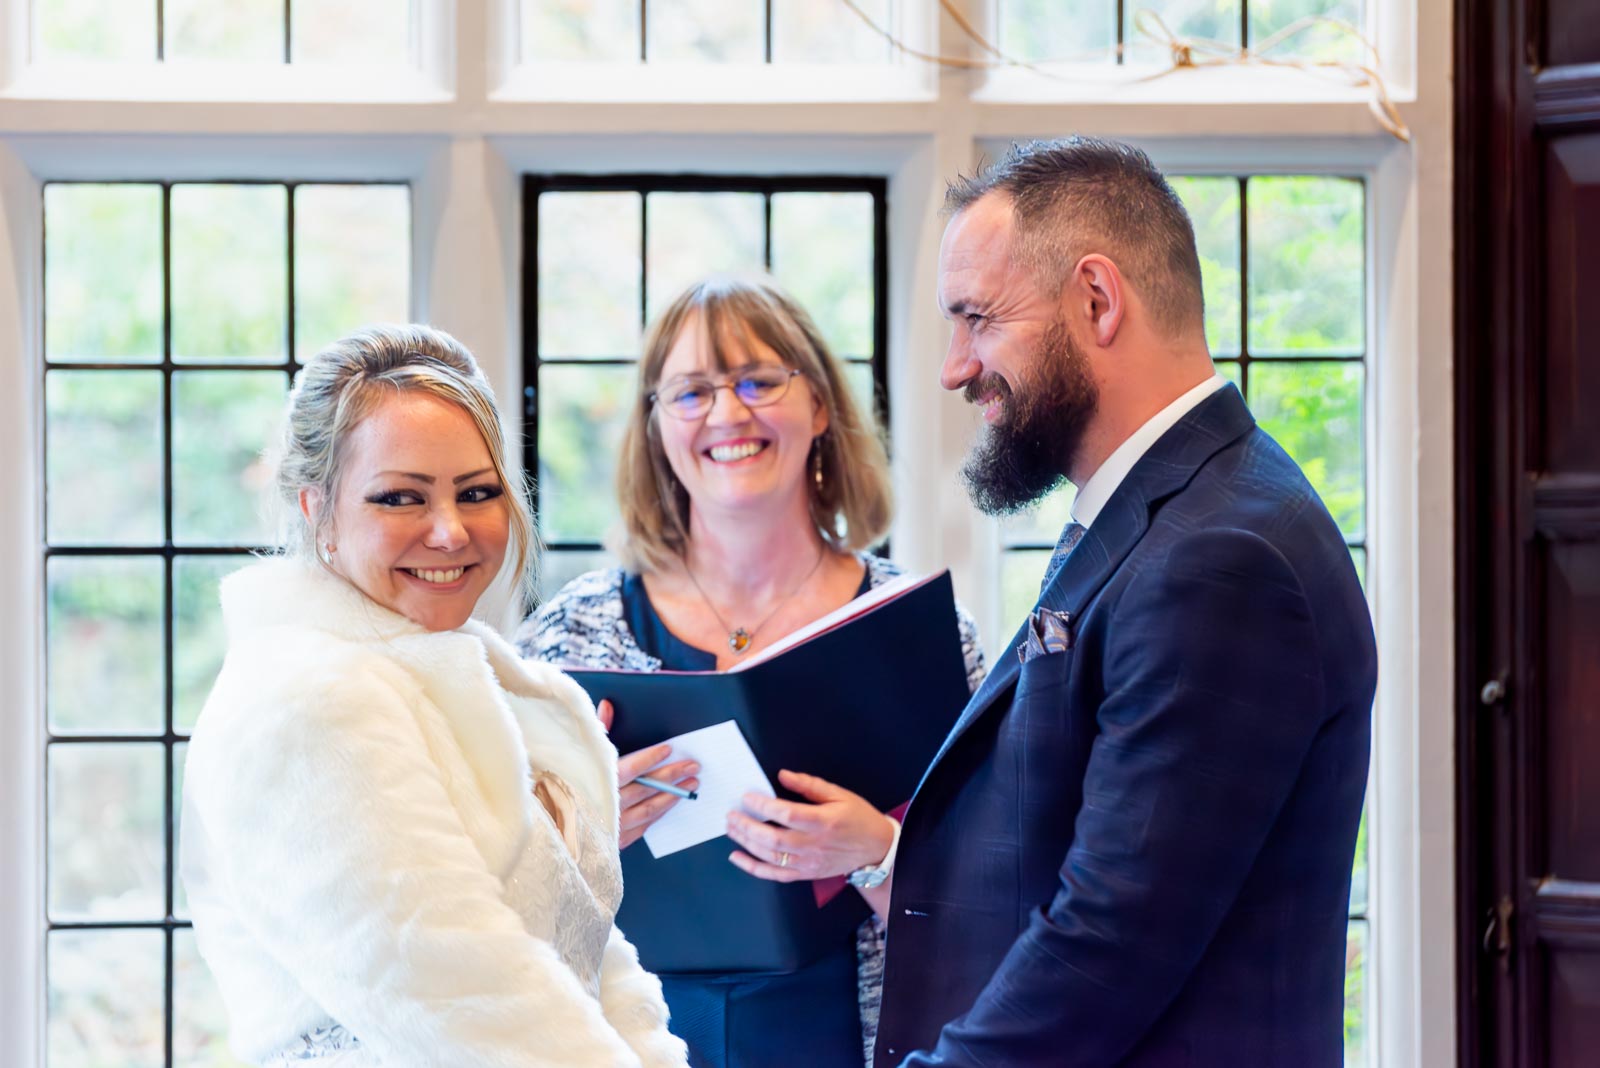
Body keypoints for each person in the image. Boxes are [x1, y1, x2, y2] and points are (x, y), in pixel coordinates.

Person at [871, 138, 1377, 1066]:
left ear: (1097, 301)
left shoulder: (1222, 558)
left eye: (978, 318)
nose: (954, 367)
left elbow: (1111, 938)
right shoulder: (1186, 508)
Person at [179, 325, 687, 1068]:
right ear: (316, 508)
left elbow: (580, 951)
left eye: (477, 493)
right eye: (400, 498)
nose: (450, 531)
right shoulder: (307, 704)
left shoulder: (478, 681)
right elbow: (463, 997)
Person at [516, 276, 986, 1068]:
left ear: (822, 406)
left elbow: (998, 900)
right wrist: (578, 830)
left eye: (760, 381)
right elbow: (487, 891)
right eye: (691, 392)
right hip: (623, 1041)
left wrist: (878, 850)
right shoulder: (567, 635)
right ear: (657, 426)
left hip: (847, 1040)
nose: (728, 414)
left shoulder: (925, 634)